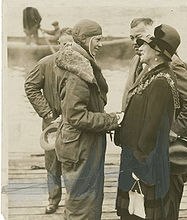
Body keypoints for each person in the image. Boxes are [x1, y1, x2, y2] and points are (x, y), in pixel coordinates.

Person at [118, 18, 187, 219]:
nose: (135, 43)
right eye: (131, 38)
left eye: (139, 38)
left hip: (166, 149)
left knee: (166, 205)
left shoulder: (171, 64)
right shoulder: (137, 59)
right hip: (141, 148)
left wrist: (174, 131)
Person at [54, 19, 122, 220]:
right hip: (81, 148)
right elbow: (76, 116)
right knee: (83, 206)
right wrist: (112, 120)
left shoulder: (77, 64)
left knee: (79, 200)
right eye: (97, 39)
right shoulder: (78, 73)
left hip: (77, 145)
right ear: (84, 40)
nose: (101, 44)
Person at [24, 28, 73, 214]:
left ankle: (72, 201)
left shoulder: (82, 64)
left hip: (73, 124)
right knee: (52, 163)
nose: (67, 47)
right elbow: (30, 87)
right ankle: (53, 199)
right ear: (58, 44)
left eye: (71, 44)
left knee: (72, 161)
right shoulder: (45, 63)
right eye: (64, 44)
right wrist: (47, 113)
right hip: (52, 123)